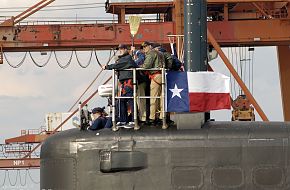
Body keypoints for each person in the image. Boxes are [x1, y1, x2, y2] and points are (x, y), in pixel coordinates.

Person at [103, 44, 138, 130]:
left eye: (122, 49)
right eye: (119, 49)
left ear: (126, 49)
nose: (120, 50)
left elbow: (119, 65)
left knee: (130, 100)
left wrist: (107, 67)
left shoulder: (127, 58)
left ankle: (134, 120)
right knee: (122, 100)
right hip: (124, 84)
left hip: (129, 83)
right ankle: (123, 120)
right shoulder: (123, 59)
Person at [141, 41, 166, 127]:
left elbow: (146, 66)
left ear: (149, 46)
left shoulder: (151, 53)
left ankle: (152, 118)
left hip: (155, 76)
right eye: (143, 47)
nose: (144, 49)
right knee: (162, 97)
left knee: (154, 97)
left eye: (145, 47)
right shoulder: (160, 53)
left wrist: (139, 67)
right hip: (162, 75)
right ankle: (162, 116)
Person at [133, 47, 148, 124]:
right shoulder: (135, 60)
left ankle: (142, 117)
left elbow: (141, 58)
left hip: (140, 82)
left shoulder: (140, 59)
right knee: (139, 100)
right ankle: (140, 116)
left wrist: (136, 51)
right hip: (138, 82)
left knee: (141, 100)